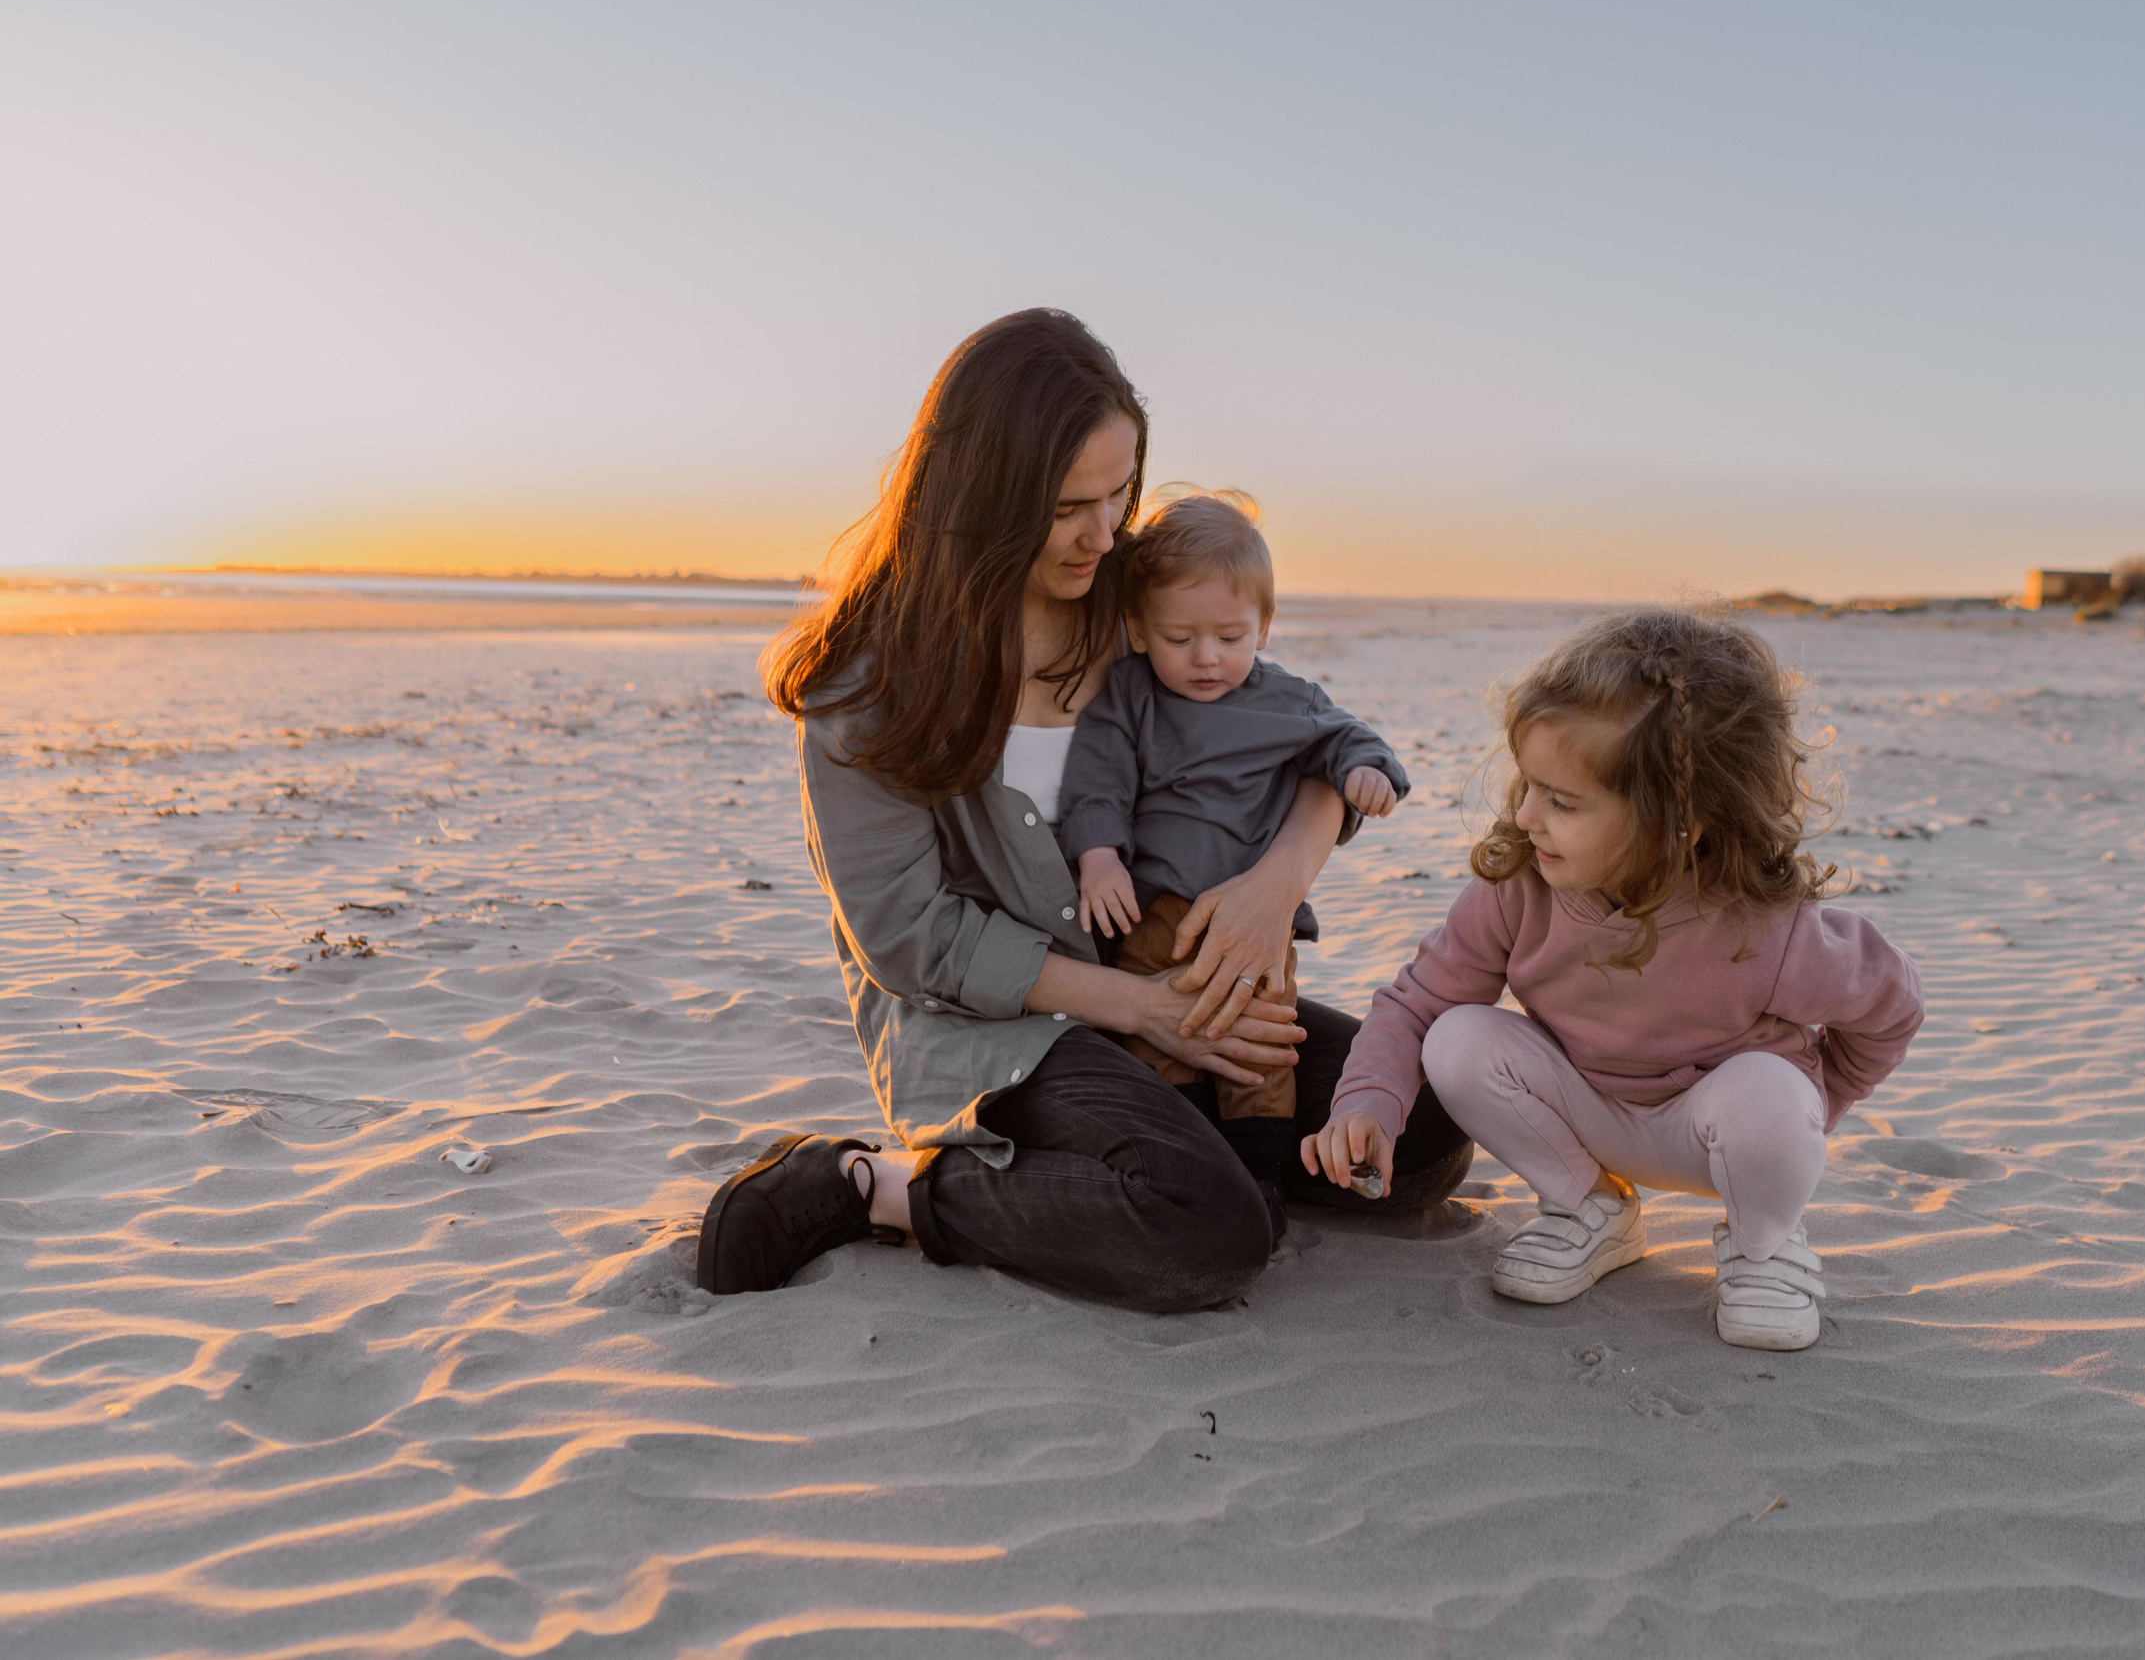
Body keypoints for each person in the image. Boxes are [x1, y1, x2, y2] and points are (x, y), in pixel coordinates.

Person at [695, 308, 1471, 1311]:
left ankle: (1169, 1154)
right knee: (1209, 1234)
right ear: (982, 494)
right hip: (994, 1024)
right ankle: (870, 1187)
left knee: (1424, 1130)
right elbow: (907, 938)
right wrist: (1150, 1015)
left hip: (1160, 968)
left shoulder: (1130, 601)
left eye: (1120, 494)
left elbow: (1290, 732)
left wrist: (1273, 891)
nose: (1103, 535)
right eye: (1068, 506)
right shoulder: (867, 685)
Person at [1302, 608, 1925, 1349]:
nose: (1527, 815)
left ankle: (1764, 1244)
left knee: (1771, 1096)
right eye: (1528, 785)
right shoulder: (1520, 888)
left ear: (1677, 822)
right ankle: (1589, 1207)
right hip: (1584, 1115)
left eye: (1563, 802)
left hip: (1716, 1131)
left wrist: (1818, 1106)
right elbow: (1416, 1003)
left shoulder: (1767, 927)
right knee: (1457, 1037)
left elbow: (1892, 1007)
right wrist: (1367, 1101)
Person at [1057, 488, 1409, 1190]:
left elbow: (1350, 740)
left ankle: (1261, 1174)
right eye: (1179, 639)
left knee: (1261, 1049)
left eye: (1230, 637)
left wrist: (1369, 772)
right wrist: (1098, 856)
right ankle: (1186, 1163)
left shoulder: (1288, 701)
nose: (1206, 658)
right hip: (1156, 914)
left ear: (1265, 626)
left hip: (1256, 925)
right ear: (1138, 627)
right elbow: (1096, 780)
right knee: (1159, 1042)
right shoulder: (1132, 695)